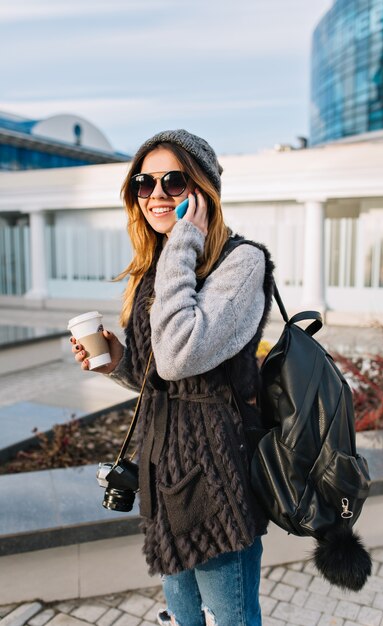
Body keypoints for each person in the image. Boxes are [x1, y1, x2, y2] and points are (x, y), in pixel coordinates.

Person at [70, 129, 275, 626]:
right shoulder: (156, 267)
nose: (156, 195)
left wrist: (185, 239)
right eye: (144, 183)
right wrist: (117, 360)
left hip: (217, 474)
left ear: (203, 191)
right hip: (162, 471)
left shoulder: (241, 262)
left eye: (173, 181)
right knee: (184, 616)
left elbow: (180, 356)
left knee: (230, 617)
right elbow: (156, 374)